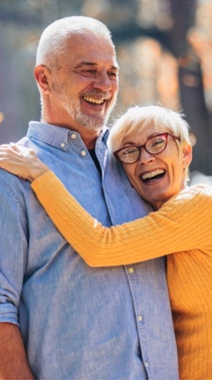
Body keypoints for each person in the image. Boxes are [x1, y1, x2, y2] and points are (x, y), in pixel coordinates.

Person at [0, 17, 179, 380]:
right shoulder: (11, 173)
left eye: (111, 72)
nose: (104, 85)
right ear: (44, 79)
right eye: (88, 71)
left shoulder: (138, 163)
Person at [0, 105, 211, 380]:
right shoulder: (153, 221)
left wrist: (40, 174)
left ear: (185, 153)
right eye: (130, 152)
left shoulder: (199, 207)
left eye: (158, 143)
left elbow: (101, 246)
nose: (145, 158)